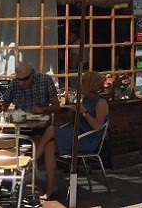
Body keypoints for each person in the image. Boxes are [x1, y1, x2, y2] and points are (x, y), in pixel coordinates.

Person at [34, 71, 108, 200]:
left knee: (51, 129)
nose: (80, 87)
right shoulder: (85, 99)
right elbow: (75, 122)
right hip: (77, 134)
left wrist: (84, 113)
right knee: (50, 146)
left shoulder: (101, 103)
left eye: (83, 84)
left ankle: (33, 159)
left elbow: (97, 127)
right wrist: (73, 113)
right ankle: (51, 185)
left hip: (88, 140)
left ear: (90, 86)